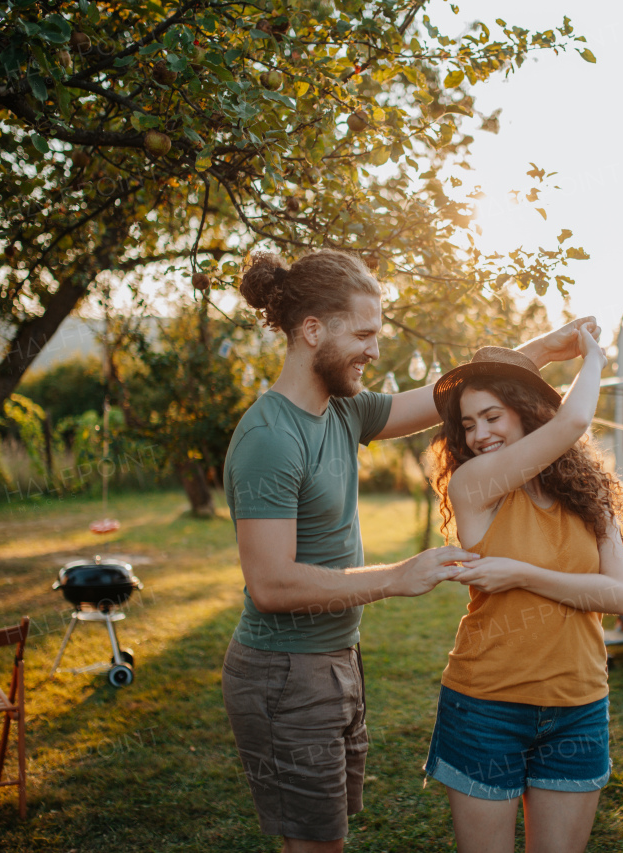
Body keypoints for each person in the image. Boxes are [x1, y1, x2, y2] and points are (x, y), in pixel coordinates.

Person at [221, 248, 599, 853]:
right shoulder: (270, 438)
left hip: (334, 658)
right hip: (285, 670)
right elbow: (270, 585)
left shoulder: (341, 410)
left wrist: (543, 350)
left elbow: (448, 394)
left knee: (328, 838)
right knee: (313, 845)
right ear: (312, 330)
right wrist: (398, 575)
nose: (375, 351)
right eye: (365, 335)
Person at [423, 338, 623, 853]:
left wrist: (523, 574)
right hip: (487, 706)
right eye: (468, 424)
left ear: (525, 410)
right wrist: (595, 358)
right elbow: (572, 423)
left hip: (578, 706)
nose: (478, 435)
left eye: (492, 416)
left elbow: (617, 596)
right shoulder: (473, 486)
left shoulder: (590, 494)